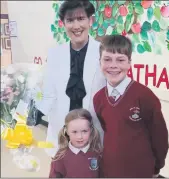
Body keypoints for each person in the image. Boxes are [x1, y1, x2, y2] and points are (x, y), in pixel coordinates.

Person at [35, 0, 105, 157]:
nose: (76, 26)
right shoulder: (54, 54)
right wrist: (38, 112)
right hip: (62, 133)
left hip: (93, 133)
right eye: (70, 20)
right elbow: (49, 94)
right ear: (63, 23)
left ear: (90, 21)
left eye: (81, 19)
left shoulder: (104, 53)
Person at [93, 35, 169, 178]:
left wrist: (157, 167)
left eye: (120, 60)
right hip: (109, 170)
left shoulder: (145, 96)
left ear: (129, 63)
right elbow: (107, 131)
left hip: (140, 171)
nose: (113, 65)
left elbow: (160, 137)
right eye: (107, 59)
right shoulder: (98, 98)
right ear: (99, 62)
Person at [49, 108, 102, 178]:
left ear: (91, 130)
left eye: (84, 131)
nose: (80, 137)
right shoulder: (60, 156)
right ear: (67, 131)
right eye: (74, 132)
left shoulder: (97, 152)